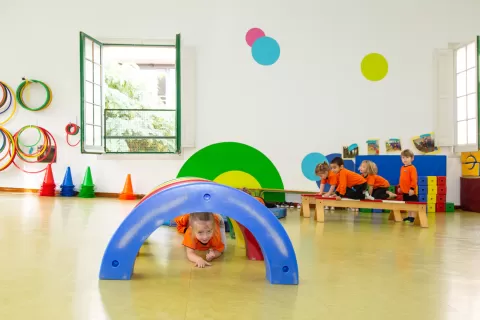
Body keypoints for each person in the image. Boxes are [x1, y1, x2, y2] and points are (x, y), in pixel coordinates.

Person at [398, 149, 418, 222]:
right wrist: (400, 186)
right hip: (405, 191)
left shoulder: (412, 168)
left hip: (411, 191)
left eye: (407, 157)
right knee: (408, 205)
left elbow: (414, 179)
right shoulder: (402, 168)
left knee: (412, 205)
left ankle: (412, 217)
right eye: (403, 157)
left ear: (412, 158)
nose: (404, 159)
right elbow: (401, 178)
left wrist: (412, 189)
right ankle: (409, 217)